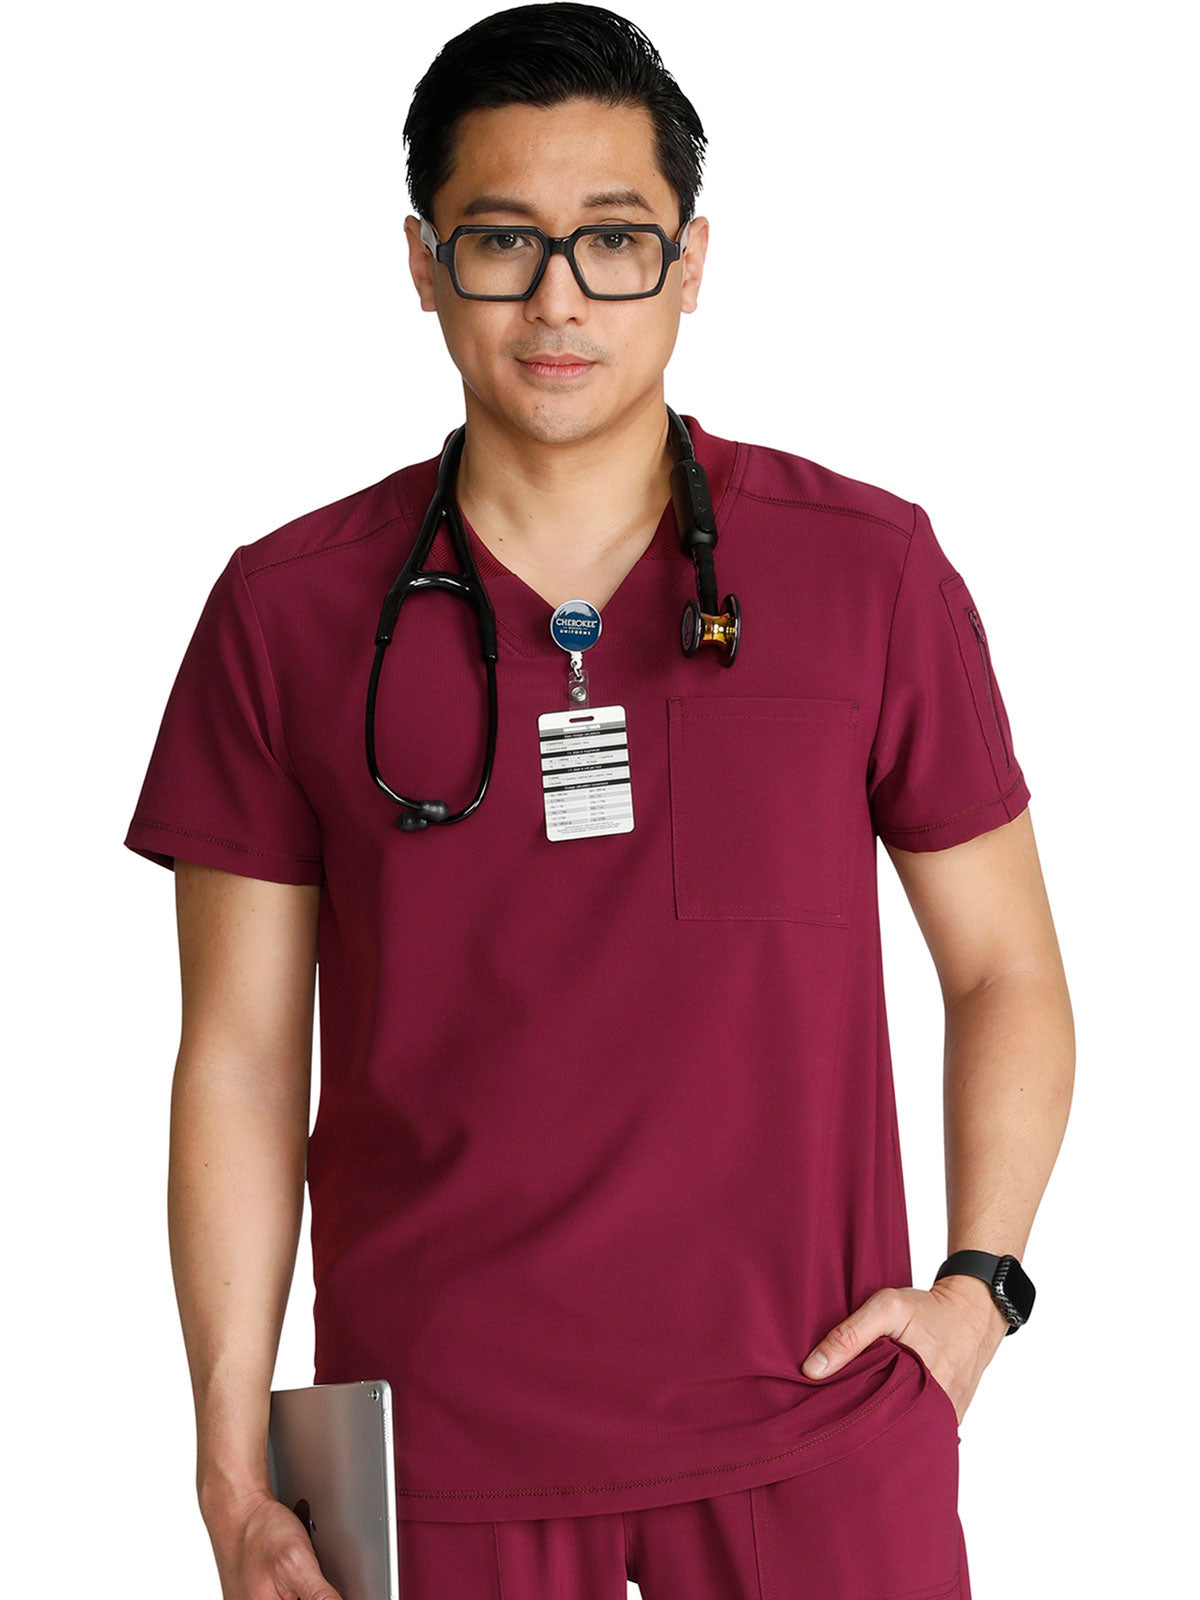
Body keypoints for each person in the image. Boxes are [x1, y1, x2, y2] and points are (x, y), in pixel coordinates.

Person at [123, 5, 1075, 1597]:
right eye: (502, 240)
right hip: (434, 1469)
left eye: (616, 241)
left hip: (817, 1436)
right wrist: (229, 1470)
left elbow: (1005, 970)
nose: (558, 298)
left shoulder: (869, 573)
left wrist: (980, 1290)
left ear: (691, 262)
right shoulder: (287, 615)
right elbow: (236, 1060)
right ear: (422, 263)